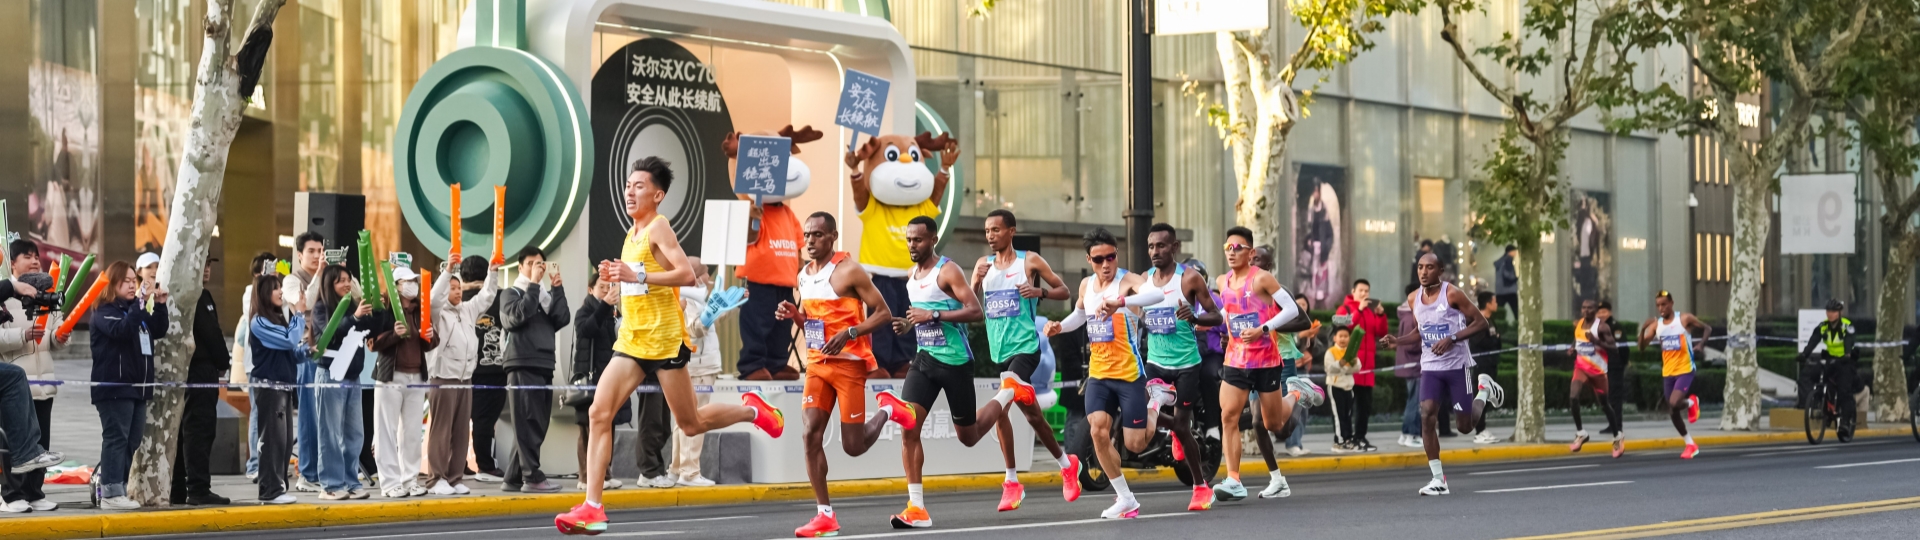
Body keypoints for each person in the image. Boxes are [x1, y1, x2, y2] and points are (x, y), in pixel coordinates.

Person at [557, 157, 783, 536]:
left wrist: (638, 273)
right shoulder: (631, 234)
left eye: (640, 186)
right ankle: (593, 506)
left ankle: (751, 410)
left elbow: (684, 273)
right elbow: (638, 284)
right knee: (600, 413)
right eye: (628, 185)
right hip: (632, 338)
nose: (630, 191)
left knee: (690, 424)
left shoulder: (660, 228)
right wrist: (619, 279)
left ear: (658, 195)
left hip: (664, 341)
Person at [888, 215, 1030, 528]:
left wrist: (934, 314)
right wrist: (910, 323)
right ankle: (917, 508)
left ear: (933, 239)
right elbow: (923, 315)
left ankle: (1009, 392)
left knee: (968, 436)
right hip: (924, 360)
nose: (913, 245)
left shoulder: (947, 270)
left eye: (919, 240)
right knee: (908, 425)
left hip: (954, 362)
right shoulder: (912, 274)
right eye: (909, 239)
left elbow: (975, 311)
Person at [778, 211, 914, 537]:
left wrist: (851, 334)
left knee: (853, 446)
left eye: (818, 235)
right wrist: (797, 316)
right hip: (817, 364)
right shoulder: (803, 275)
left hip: (850, 366)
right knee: (810, 433)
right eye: (807, 235)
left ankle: (888, 410)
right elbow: (817, 327)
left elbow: (882, 314)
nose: (810, 241)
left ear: (833, 237)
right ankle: (825, 514)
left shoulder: (849, 270)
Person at [1043, 227, 1172, 519]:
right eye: (1099, 258)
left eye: (1111, 256)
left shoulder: (1128, 282)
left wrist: (1122, 302)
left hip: (1129, 376)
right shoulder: (1087, 286)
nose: (1106, 264)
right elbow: (1080, 314)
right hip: (1099, 376)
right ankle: (1126, 498)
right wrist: (1059, 326)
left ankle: (1156, 401)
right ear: (1089, 259)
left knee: (1134, 444)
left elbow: (1156, 295)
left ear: (1117, 255)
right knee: (1098, 431)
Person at [967, 209, 1081, 509]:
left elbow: (1064, 291)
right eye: (987, 231)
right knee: (1031, 415)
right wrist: (975, 283)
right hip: (999, 350)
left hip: (1026, 348)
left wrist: (1037, 291)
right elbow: (969, 305)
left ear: (1011, 231)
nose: (991, 236)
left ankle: (1011, 482)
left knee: (1004, 398)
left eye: (996, 230)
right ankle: (1067, 465)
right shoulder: (983, 265)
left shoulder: (1028, 261)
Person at [1378, 253, 1506, 496]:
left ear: (1441, 270)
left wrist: (1453, 338)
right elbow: (1420, 331)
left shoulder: (1453, 294)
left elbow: (1481, 323)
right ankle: (1438, 479)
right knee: (1427, 414)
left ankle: (1484, 390)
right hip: (1431, 367)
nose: (1424, 272)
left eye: (1429, 267)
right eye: (1420, 268)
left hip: (1458, 366)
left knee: (1465, 427)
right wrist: (1398, 340)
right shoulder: (1414, 297)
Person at [1212, 228, 1321, 503]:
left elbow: (1294, 312)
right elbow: (1228, 312)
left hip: (1267, 361)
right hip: (1235, 360)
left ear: (1249, 252)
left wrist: (1263, 328)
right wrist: (1210, 324)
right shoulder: (1221, 281)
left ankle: (1296, 391)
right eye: (1228, 246)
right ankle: (1234, 479)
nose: (1231, 251)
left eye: (1238, 247)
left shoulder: (1262, 279)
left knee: (1274, 423)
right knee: (1228, 416)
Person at [1139, 223, 1223, 510]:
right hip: (1156, 363)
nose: (1154, 252)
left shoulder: (1189, 279)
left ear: (1174, 247)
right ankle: (1174, 430)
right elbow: (1133, 309)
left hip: (1187, 365)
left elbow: (1217, 317)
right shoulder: (1144, 280)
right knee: (1142, 408)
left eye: (1161, 246)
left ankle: (1201, 486)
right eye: (1151, 246)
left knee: (1181, 425)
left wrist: (1196, 317)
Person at [90, 260, 170, 510]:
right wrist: (139, 303)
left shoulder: (135, 310)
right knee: (116, 437)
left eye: (132, 280)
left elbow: (157, 329)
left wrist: (159, 306)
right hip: (115, 388)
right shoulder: (105, 311)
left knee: (132, 440)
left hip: (138, 388)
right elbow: (122, 330)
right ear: (112, 284)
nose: (131, 285)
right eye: (125, 281)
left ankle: (118, 488)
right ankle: (111, 491)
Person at [424, 256, 499, 496]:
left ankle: (455, 478)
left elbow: (487, 295)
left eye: (458, 287)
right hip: (443, 378)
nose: (456, 292)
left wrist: (493, 271)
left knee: (460, 432)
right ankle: (436, 478)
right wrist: (447, 272)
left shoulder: (467, 310)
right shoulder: (438, 313)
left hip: (465, 379)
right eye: (451, 288)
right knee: (441, 430)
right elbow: (433, 297)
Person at [1, 240, 66, 513]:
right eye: (28, 257)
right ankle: (11, 494)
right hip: (18, 379)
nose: (35, 261)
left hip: (44, 379)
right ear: (12, 263)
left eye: (37, 257)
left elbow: (55, 333)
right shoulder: (6, 292)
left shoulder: (45, 293)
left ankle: (34, 491)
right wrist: (22, 334)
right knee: (11, 438)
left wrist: (58, 336)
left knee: (40, 439)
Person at [499, 247, 568, 494]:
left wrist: (557, 288)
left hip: (544, 362)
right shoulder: (511, 293)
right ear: (521, 267)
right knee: (527, 421)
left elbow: (562, 318)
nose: (537, 268)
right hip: (521, 361)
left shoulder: (544, 297)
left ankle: (513, 477)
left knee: (536, 422)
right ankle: (532, 476)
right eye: (531, 263)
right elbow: (517, 317)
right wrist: (535, 286)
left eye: (541, 264)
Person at [369, 265, 440, 498]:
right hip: (390, 376)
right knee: (385, 431)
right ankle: (390, 483)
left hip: (416, 376)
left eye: (414, 281)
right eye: (407, 281)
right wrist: (393, 334)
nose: (413, 285)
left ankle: (409, 479)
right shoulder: (384, 310)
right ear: (396, 286)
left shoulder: (421, 309)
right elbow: (372, 344)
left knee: (411, 432)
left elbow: (431, 341)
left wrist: (430, 337)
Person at [307, 264, 375, 501]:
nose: (346, 284)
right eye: (340, 280)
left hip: (353, 376)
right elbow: (329, 335)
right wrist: (354, 318)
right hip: (330, 374)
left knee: (354, 433)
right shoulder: (320, 308)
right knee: (330, 432)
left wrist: (370, 314)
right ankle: (330, 484)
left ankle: (350, 481)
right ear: (329, 284)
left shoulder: (355, 305)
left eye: (348, 279)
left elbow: (369, 331)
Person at [171, 256, 232, 506]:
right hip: (198, 370)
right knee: (198, 430)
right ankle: (197, 488)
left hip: (193, 370)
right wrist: (223, 361)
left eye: (209, 264)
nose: (207, 269)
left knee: (186, 431)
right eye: (202, 263)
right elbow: (212, 333)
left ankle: (179, 489)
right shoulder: (194, 296)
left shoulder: (196, 294)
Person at [671, 258, 732, 488]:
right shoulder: (688, 296)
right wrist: (712, 310)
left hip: (695, 364)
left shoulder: (693, 295)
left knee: (681, 420)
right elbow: (695, 328)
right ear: (697, 276)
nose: (709, 278)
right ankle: (690, 472)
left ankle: (677, 469)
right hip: (699, 366)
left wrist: (725, 306)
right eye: (706, 273)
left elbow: (710, 320)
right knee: (696, 419)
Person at [569, 269, 631, 492]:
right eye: (602, 287)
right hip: (590, 379)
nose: (606, 291)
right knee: (588, 429)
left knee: (608, 425)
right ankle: (586, 477)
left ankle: (606, 472)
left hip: (608, 377)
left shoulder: (613, 313)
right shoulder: (584, 311)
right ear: (590, 289)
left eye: (609, 288)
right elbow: (587, 330)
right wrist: (605, 305)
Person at [247, 273, 305, 505]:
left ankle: (279, 487)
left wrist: (308, 351)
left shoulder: (277, 319)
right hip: (269, 389)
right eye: (275, 288)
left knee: (283, 441)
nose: (281, 292)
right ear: (263, 294)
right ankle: (269, 490)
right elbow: (290, 340)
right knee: (271, 440)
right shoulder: (259, 321)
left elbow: (291, 351)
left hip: (284, 387)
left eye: (280, 287)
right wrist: (299, 313)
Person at [1637, 291, 1708, 459]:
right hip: (1668, 373)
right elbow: (1641, 347)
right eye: (1658, 305)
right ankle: (1690, 444)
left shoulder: (1684, 319)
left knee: (1675, 402)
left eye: (1664, 304)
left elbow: (1707, 328)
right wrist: (1643, 330)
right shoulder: (1657, 325)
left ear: (1671, 303)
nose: (1661, 308)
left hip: (1685, 369)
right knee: (1672, 410)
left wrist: (1701, 345)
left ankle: (1692, 402)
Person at [284, 232, 328, 493]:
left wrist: (339, 273)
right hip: (307, 352)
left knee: (329, 417)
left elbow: (355, 297)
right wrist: (321, 274)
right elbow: (305, 303)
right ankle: (308, 473)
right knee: (310, 416)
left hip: (332, 351)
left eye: (321, 250)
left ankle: (327, 469)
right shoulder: (291, 279)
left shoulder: (328, 273)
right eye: (311, 251)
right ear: (299, 255)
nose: (317, 255)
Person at [463, 255, 509, 482]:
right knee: (485, 420)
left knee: (458, 418)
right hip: (492, 368)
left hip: (459, 368)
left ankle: (457, 463)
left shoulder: (455, 297)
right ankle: (486, 465)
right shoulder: (500, 298)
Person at [1332, 279, 1386, 451]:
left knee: (1364, 406)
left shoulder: (1371, 311)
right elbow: (1341, 327)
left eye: (1367, 291)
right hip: (1350, 367)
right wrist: (1359, 310)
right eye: (1361, 290)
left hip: (1367, 368)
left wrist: (1380, 314)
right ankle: (1345, 439)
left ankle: (1360, 437)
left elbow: (1381, 332)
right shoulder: (1345, 308)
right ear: (1353, 291)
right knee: (1347, 406)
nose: (1364, 294)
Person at [1798, 299, 1858, 438]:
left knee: (1844, 391)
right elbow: (1814, 340)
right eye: (1828, 311)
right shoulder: (1823, 327)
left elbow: (1849, 340)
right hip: (1831, 359)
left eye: (1834, 312)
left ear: (1839, 313)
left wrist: (1847, 354)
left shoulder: (1846, 326)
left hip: (1845, 361)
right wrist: (1804, 354)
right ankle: (1823, 404)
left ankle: (1844, 422)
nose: (1830, 314)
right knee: (1816, 375)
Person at [1570, 299, 1622, 457]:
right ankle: (1581, 433)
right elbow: (1578, 338)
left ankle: (1617, 436)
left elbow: (1614, 349)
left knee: (1605, 405)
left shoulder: (1602, 327)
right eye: (1584, 307)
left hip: (1598, 371)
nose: (1586, 310)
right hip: (1581, 368)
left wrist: (1597, 341)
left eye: (1590, 308)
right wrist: (1573, 347)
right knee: (1573, 397)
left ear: (1595, 311)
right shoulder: (1579, 323)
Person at [1468, 291, 1503, 443]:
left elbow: (1496, 340)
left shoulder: (1490, 320)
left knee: (1488, 397)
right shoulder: (1479, 321)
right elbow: (1478, 343)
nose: (1496, 304)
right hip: (1482, 366)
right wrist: (1495, 340)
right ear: (1488, 303)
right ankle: (1479, 431)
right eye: (1494, 301)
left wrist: (1496, 340)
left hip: (1491, 364)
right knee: (1481, 397)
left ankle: (1482, 429)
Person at [1394, 284, 1423, 448]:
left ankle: (1406, 433)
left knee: (1413, 400)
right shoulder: (1410, 317)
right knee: (1415, 402)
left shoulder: (1409, 314)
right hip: (1414, 366)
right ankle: (1411, 434)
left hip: (1411, 365)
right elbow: (1410, 345)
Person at [1494, 245, 1519, 322]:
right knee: (1516, 312)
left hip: (1500, 291)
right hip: (1509, 290)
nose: (1515, 253)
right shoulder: (1508, 261)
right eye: (1514, 251)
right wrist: (1516, 278)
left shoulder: (1500, 261)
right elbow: (1508, 275)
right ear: (1510, 252)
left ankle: (1495, 327)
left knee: (1497, 313)